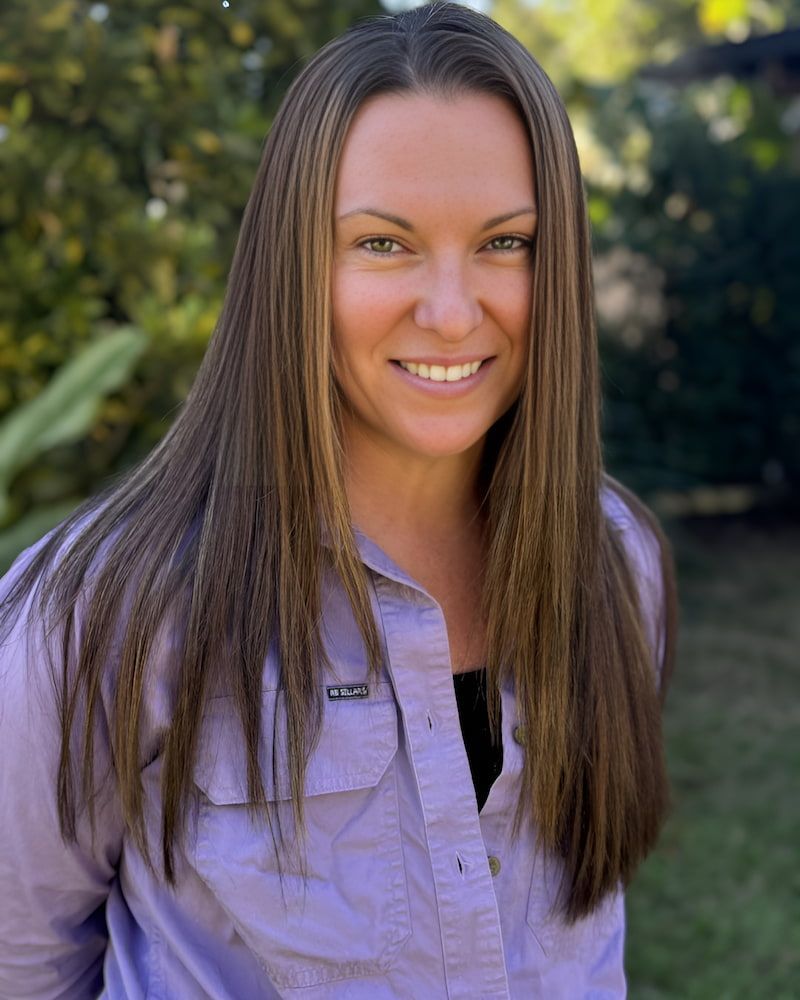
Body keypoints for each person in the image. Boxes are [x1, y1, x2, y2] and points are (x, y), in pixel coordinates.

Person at [0, 3, 677, 997]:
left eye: (504, 242)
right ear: (294, 264)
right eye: (382, 244)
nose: (451, 312)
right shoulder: (100, 614)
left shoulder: (618, 561)